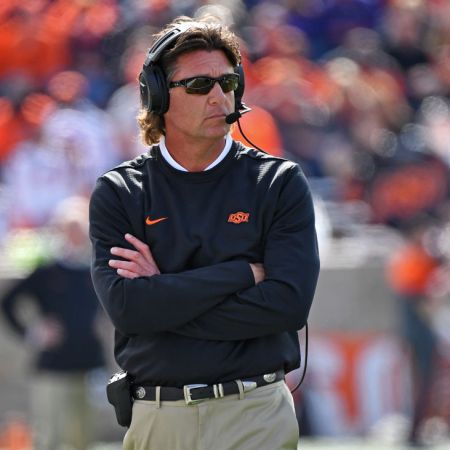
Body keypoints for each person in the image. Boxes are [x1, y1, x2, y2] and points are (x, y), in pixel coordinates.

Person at [89, 15, 320, 450]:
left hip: (255, 413)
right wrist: (241, 274)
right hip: (159, 416)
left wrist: (163, 294)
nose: (219, 96)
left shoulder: (279, 182)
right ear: (158, 95)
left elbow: (286, 307)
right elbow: (129, 311)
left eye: (227, 82)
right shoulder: (119, 191)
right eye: (199, 85)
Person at [1, 196, 106, 450]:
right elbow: (8, 302)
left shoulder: (96, 270)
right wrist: (32, 332)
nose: (74, 235)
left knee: (85, 437)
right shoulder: (47, 271)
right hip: (53, 367)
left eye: (79, 229)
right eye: (69, 229)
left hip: (88, 364)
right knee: (50, 436)